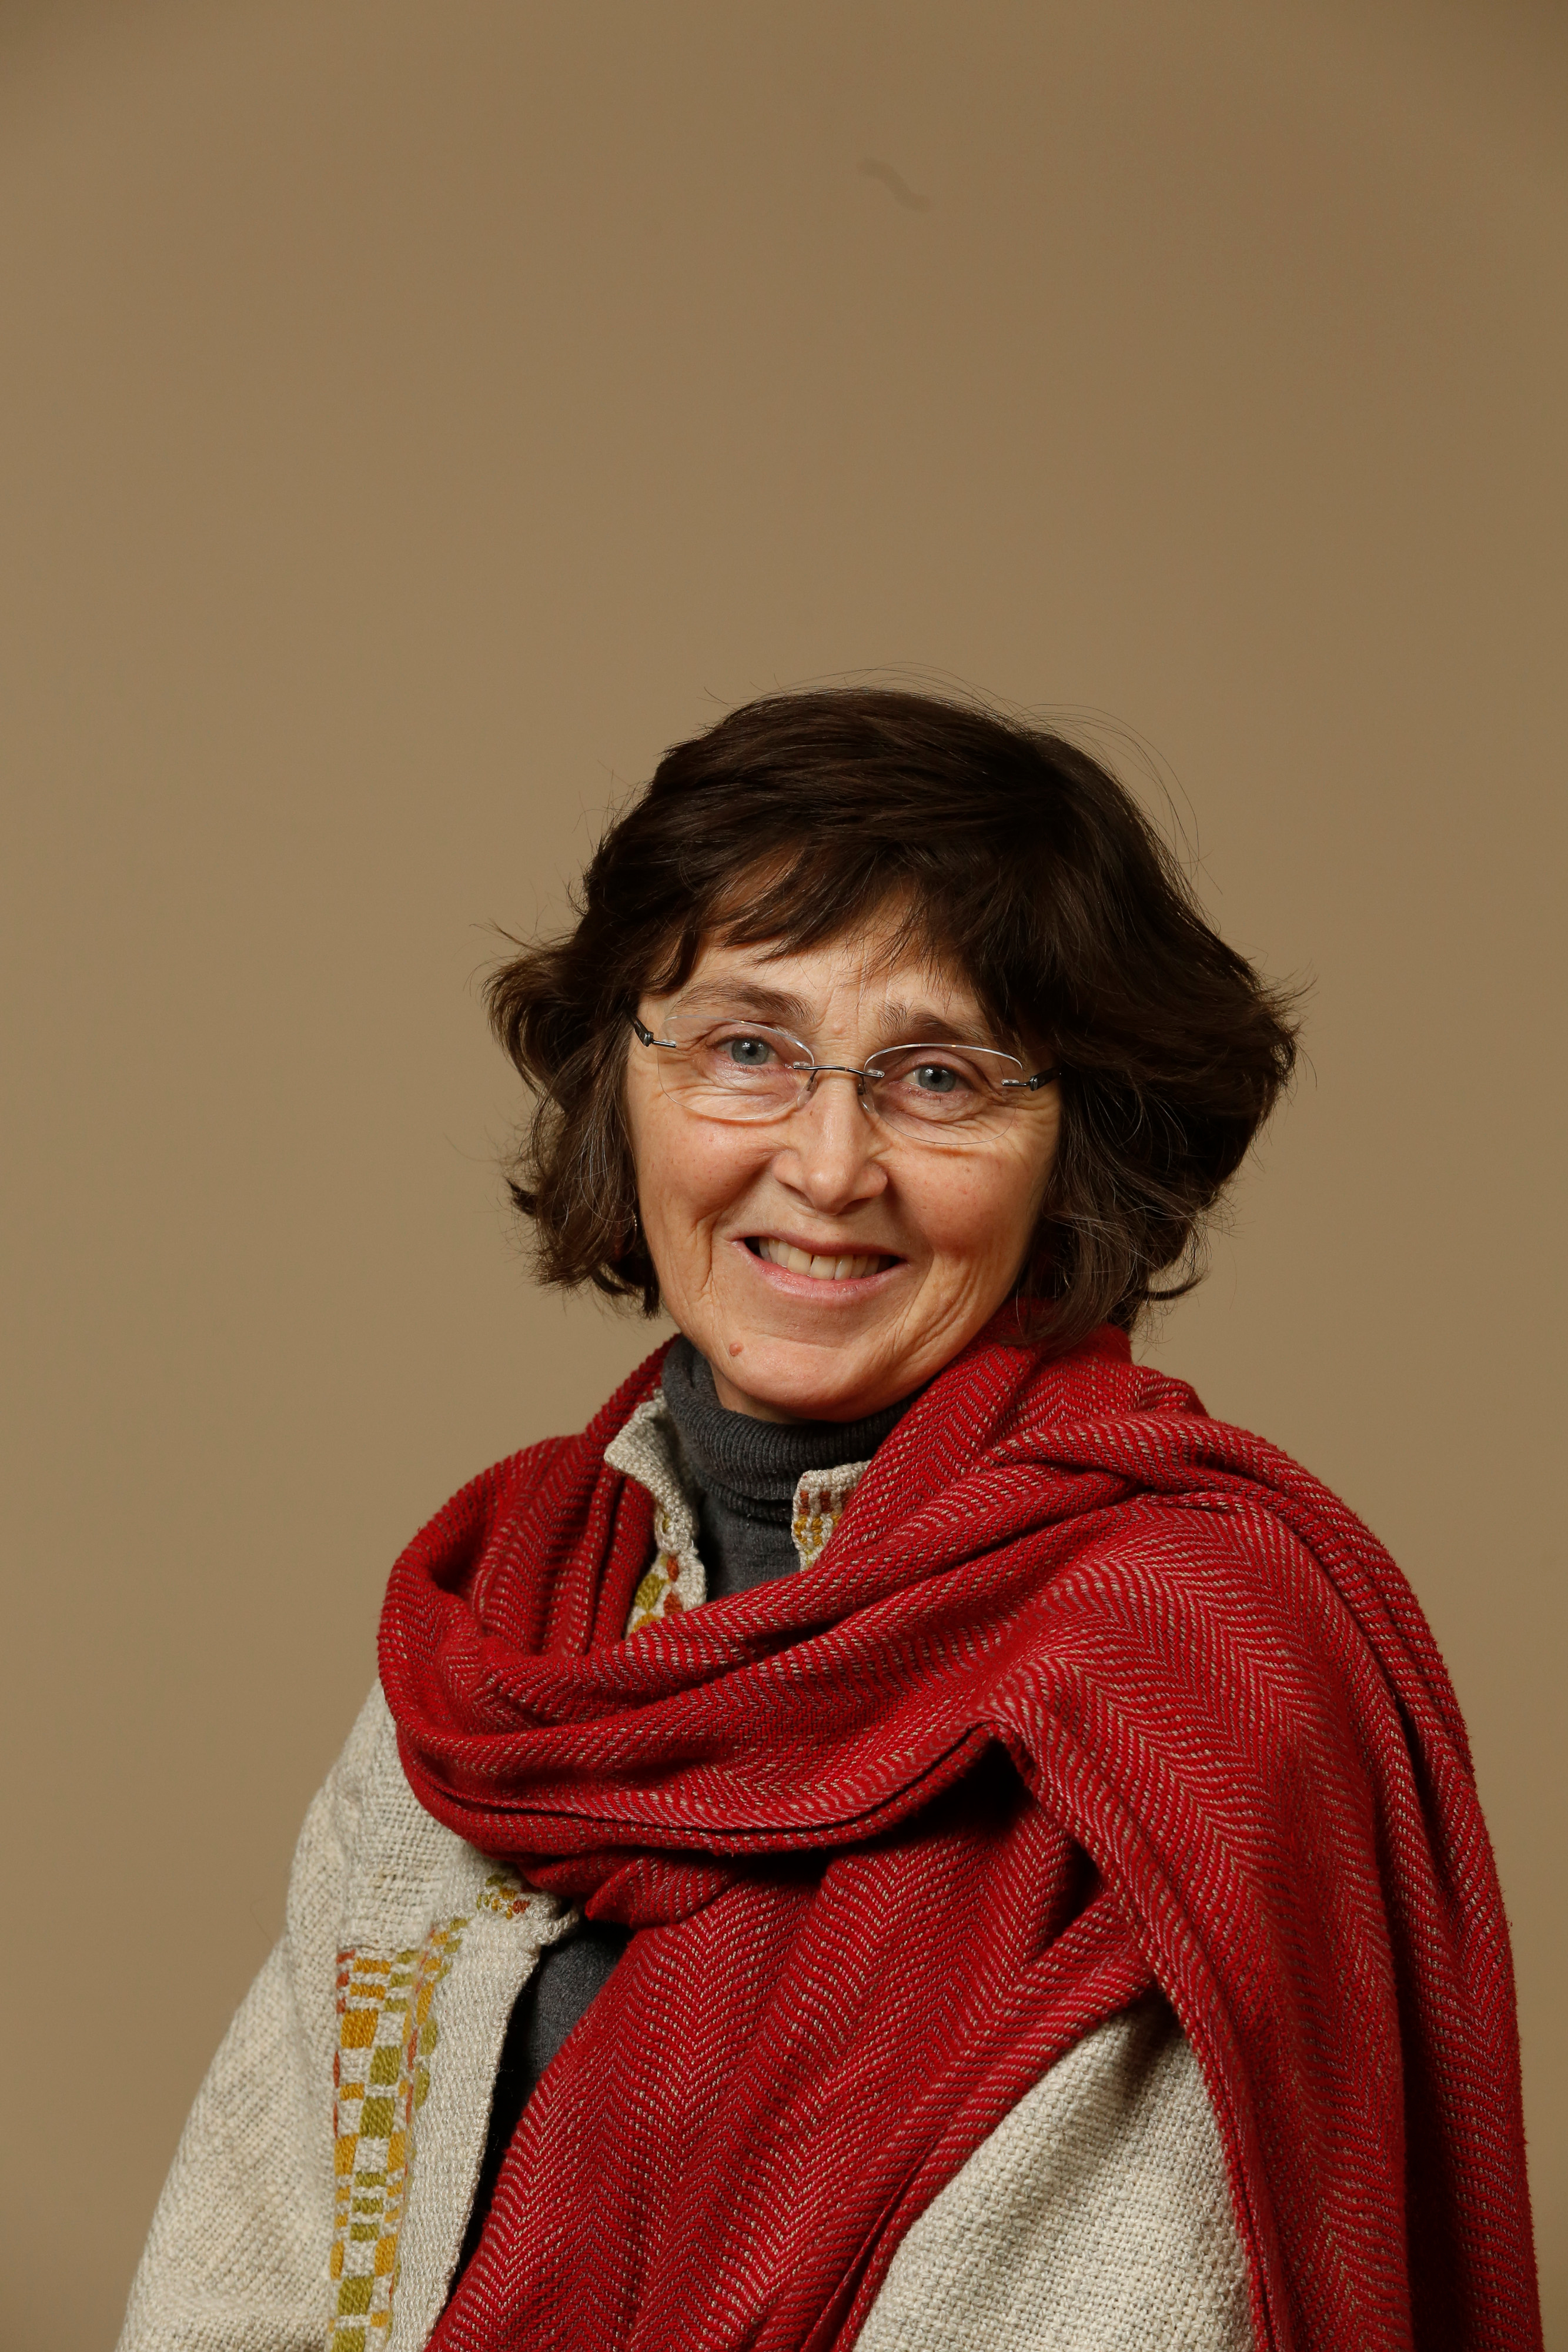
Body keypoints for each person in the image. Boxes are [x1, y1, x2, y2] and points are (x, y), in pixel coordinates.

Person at [118, 688, 1540, 2352]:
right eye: (747, 1049)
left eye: (936, 1076)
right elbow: (241, 2272)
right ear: (619, 1081)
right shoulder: (507, 1630)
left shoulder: (1190, 1657)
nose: (828, 1162)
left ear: (1079, 1145)